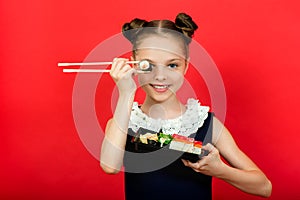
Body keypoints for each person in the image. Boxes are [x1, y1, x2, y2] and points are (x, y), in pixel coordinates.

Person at [100, 13, 272, 199]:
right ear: (134, 63)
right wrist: (126, 93)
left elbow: (264, 187)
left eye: (172, 65)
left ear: (186, 66)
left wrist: (220, 170)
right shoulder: (123, 121)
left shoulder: (204, 123)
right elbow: (110, 166)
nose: (160, 76)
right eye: (148, 65)